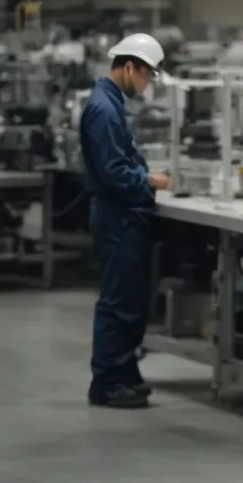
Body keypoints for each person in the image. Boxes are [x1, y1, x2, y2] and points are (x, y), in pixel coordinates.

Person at [82, 33, 169, 410]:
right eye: (147, 75)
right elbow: (116, 171)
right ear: (130, 66)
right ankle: (107, 382)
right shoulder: (104, 109)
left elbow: (125, 158)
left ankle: (123, 371)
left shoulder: (111, 103)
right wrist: (148, 182)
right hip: (117, 216)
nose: (147, 83)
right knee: (118, 302)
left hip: (122, 215)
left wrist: (144, 174)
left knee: (130, 298)